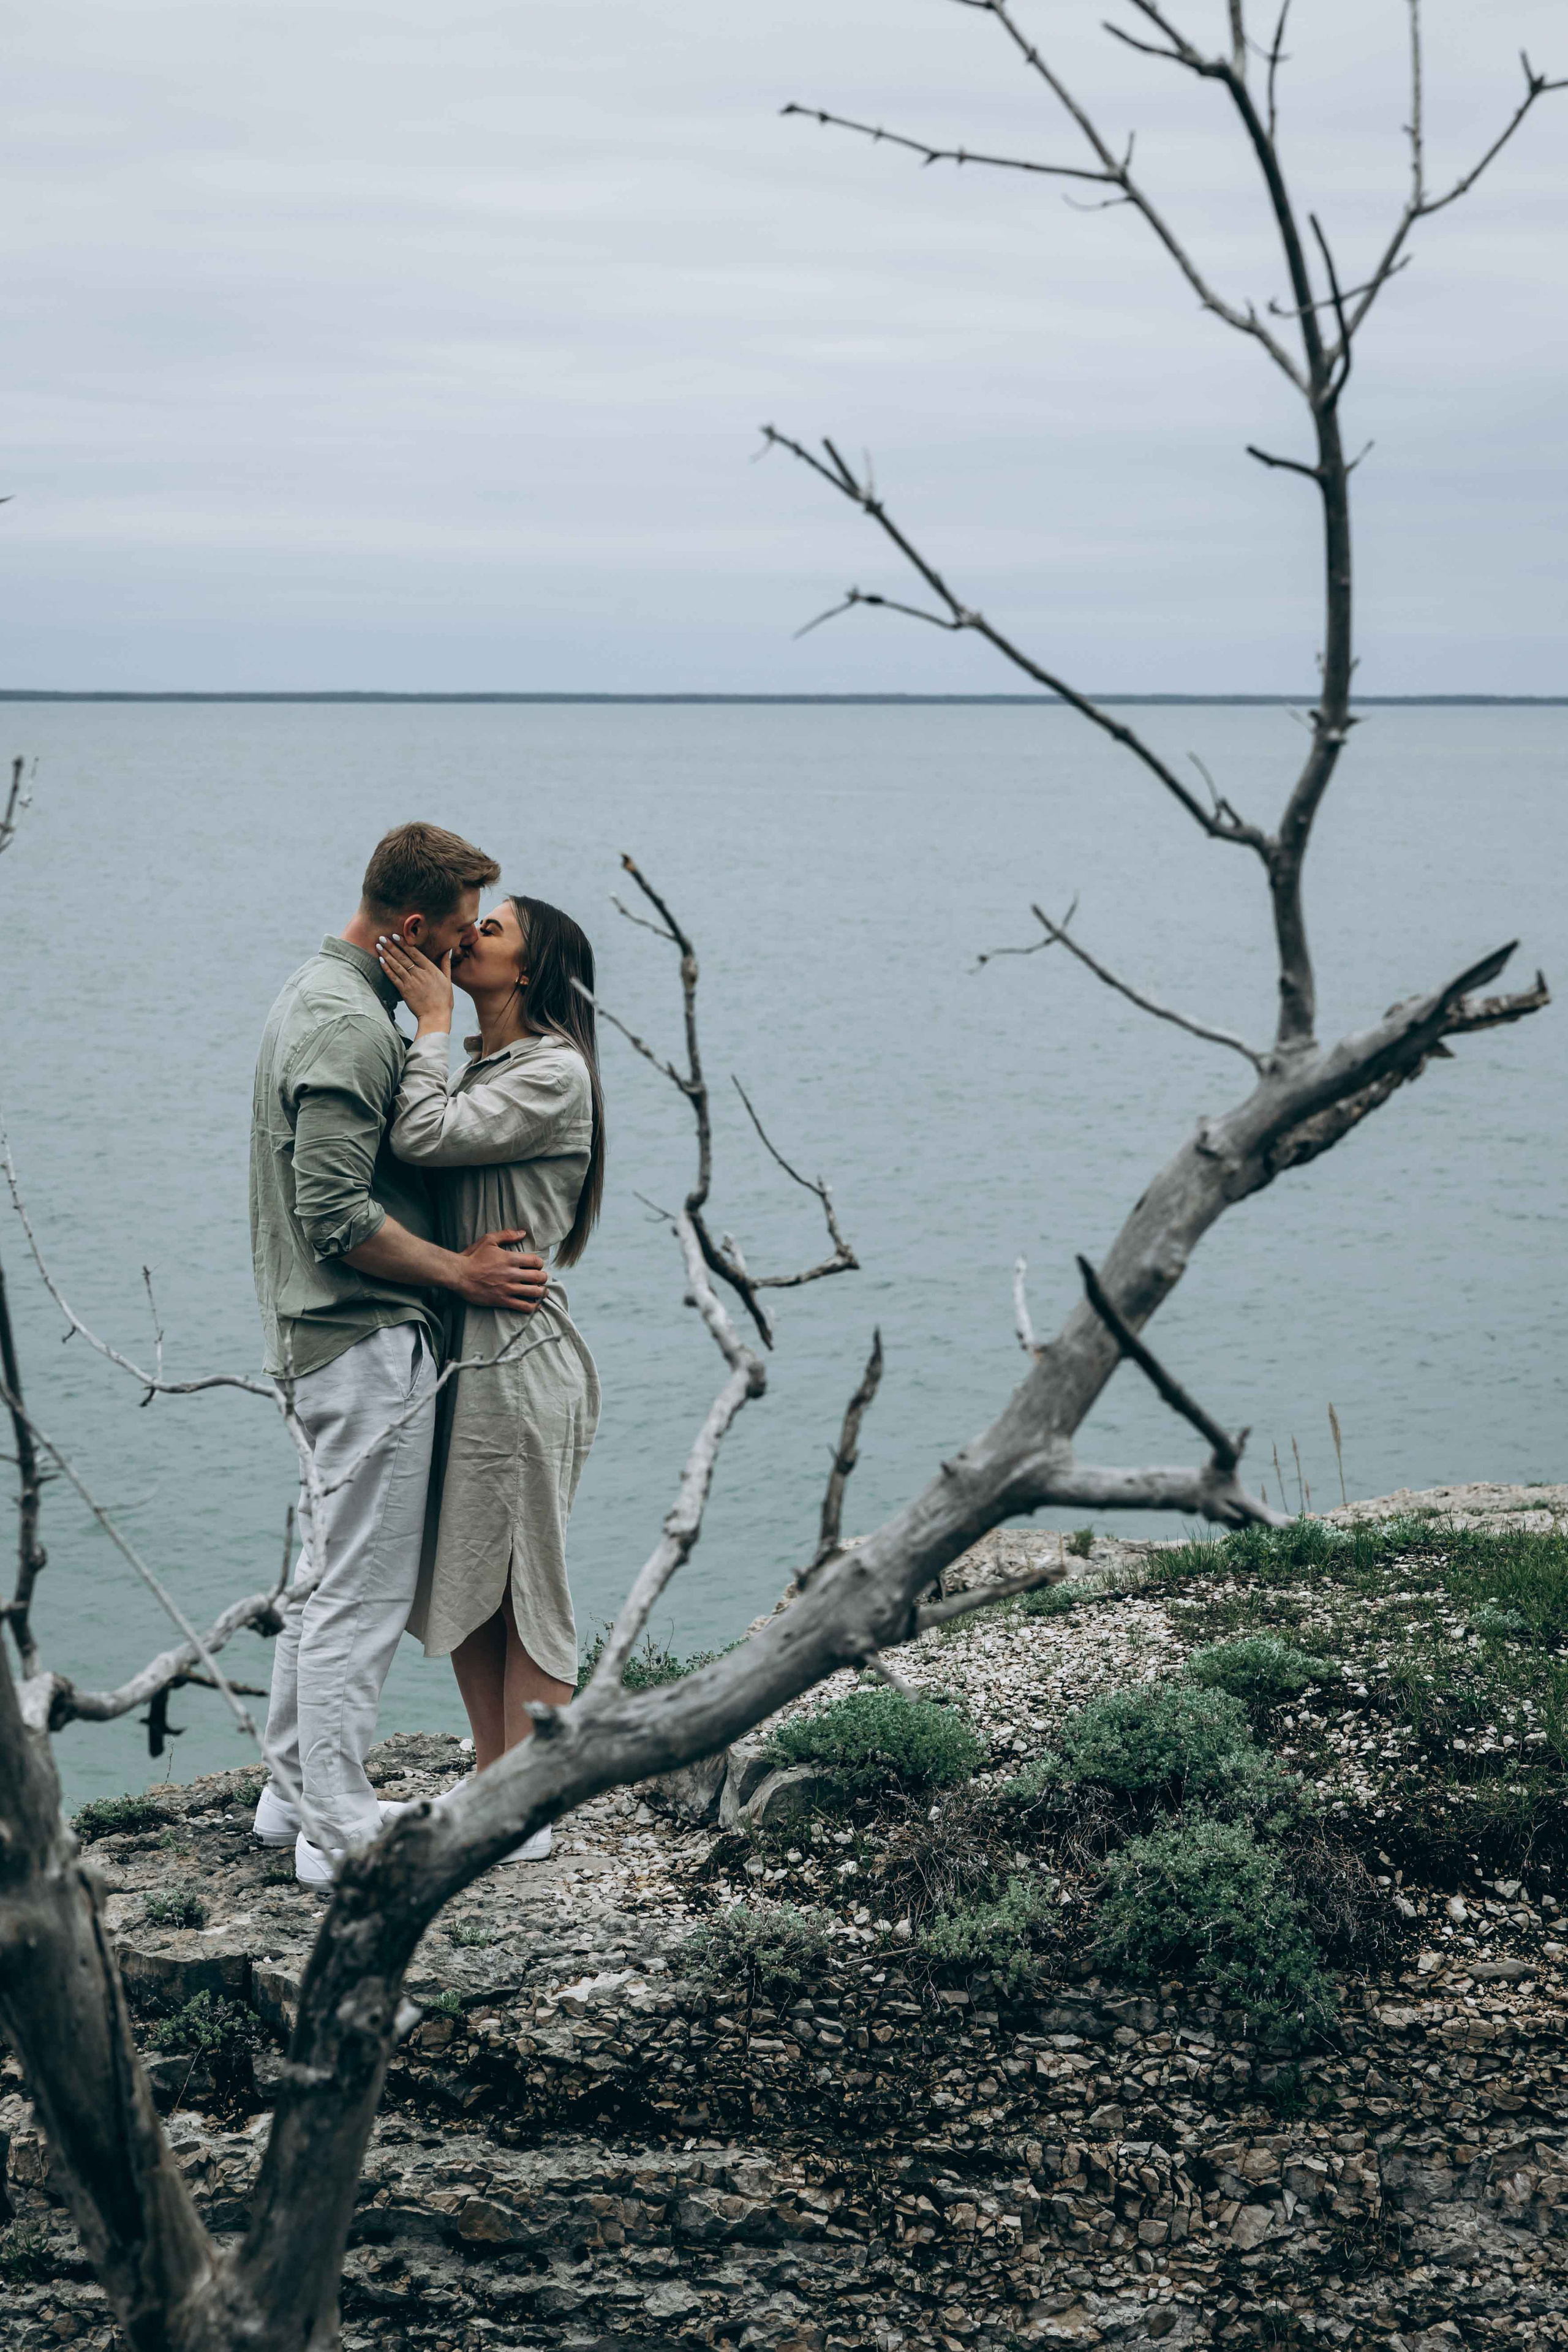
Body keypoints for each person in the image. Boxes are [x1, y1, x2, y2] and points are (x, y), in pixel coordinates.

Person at [249, 823, 549, 1886]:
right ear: (412, 927)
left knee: (326, 1570)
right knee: (362, 1592)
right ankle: (339, 1825)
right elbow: (334, 1212)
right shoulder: (347, 1025)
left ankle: (290, 1795)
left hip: (326, 1338)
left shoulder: (320, 993)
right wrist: (462, 1275)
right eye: (462, 930)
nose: (469, 950)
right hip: (361, 1335)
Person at [377, 892, 604, 1861]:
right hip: (466, 1349)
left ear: (533, 971)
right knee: (472, 1573)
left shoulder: (553, 1071)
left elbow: (423, 1138)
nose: (469, 936)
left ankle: (529, 1809)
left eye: (494, 929)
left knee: (530, 1583)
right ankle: (489, 1782)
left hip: (519, 1354)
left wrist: (427, 1023)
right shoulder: (479, 1064)